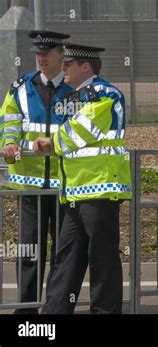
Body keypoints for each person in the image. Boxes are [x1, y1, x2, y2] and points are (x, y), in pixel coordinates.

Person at [33, 43, 132, 314]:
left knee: (102, 258)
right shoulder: (78, 95)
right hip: (77, 191)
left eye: (69, 64)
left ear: (86, 67)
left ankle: (105, 311)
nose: (63, 68)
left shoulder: (104, 93)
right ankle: (53, 315)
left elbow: (82, 130)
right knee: (67, 258)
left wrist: (51, 143)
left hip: (100, 188)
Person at [0, 30, 71, 314]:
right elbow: (9, 121)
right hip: (29, 183)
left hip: (65, 183)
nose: (41, 58)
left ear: (60, 55)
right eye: (38, 54)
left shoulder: (73, 88)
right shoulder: (20, 87)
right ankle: (26, 307)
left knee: (62, 252)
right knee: (29, 250)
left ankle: (55, 306)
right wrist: (9, 142)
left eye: (46, 53)